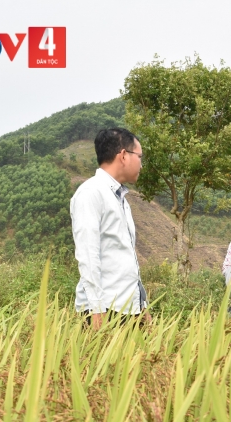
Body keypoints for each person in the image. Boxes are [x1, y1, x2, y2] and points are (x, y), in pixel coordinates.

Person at [71, 128, 149, 329]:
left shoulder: (120, 198)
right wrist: (96, 309)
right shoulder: (90, 193)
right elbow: (88, 255)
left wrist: (143, 305)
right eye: (139, 157)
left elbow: (125, 258)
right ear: (123, 155)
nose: (141, 164)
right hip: (105, 311)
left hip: (129, 310)